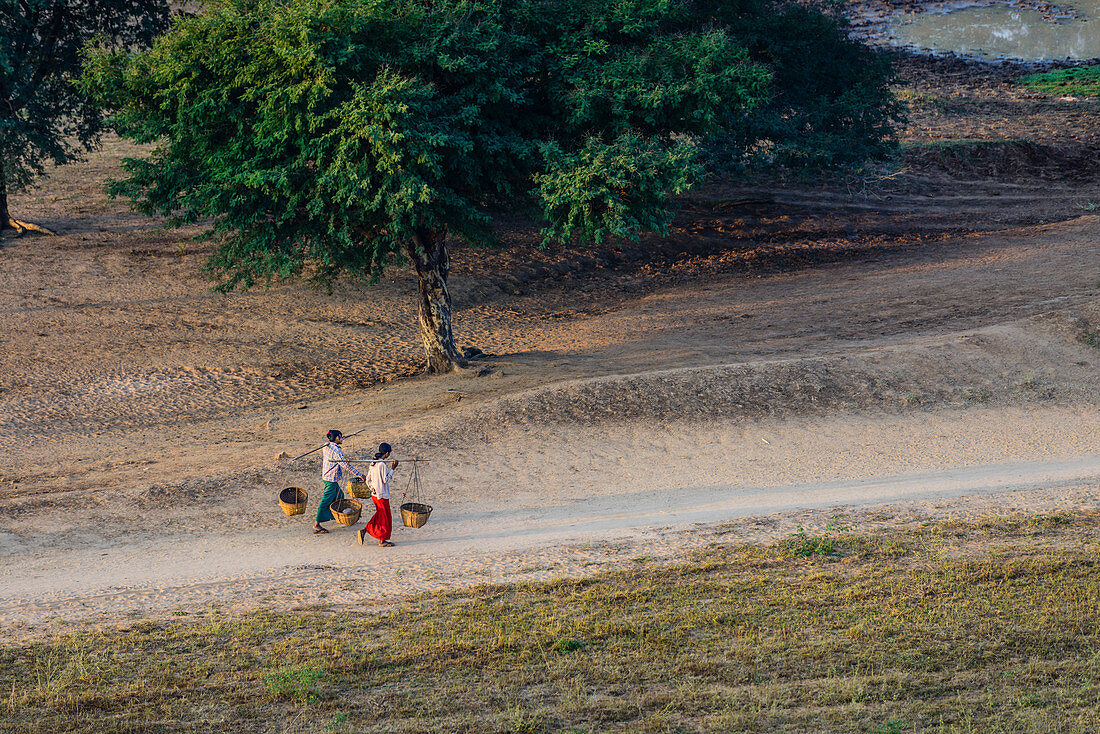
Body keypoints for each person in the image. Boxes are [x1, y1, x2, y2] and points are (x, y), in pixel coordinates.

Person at [313, 429, 365, 534]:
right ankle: (316, 524)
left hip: (327, 477)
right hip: (330, 480)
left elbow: (334, 443)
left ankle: (339, 517)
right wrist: (360, 475)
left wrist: (340, 439)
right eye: (340, 437)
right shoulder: (337, 451)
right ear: (337, 438)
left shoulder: (326, 445)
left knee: (339, 496)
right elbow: (346, 466)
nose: (342, 439)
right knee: (325, 501)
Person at [359, 442, 399, 547]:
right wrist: (393, 469)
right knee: (386, 518)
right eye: (389, 453)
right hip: (382, 495)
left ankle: (365, 530)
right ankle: (382, 540)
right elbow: (386, 480)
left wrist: (372, 488)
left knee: (380, 515)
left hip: (375, 495)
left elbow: (368, 479)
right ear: (386, 453)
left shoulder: (373, 463)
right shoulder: (382, 465)